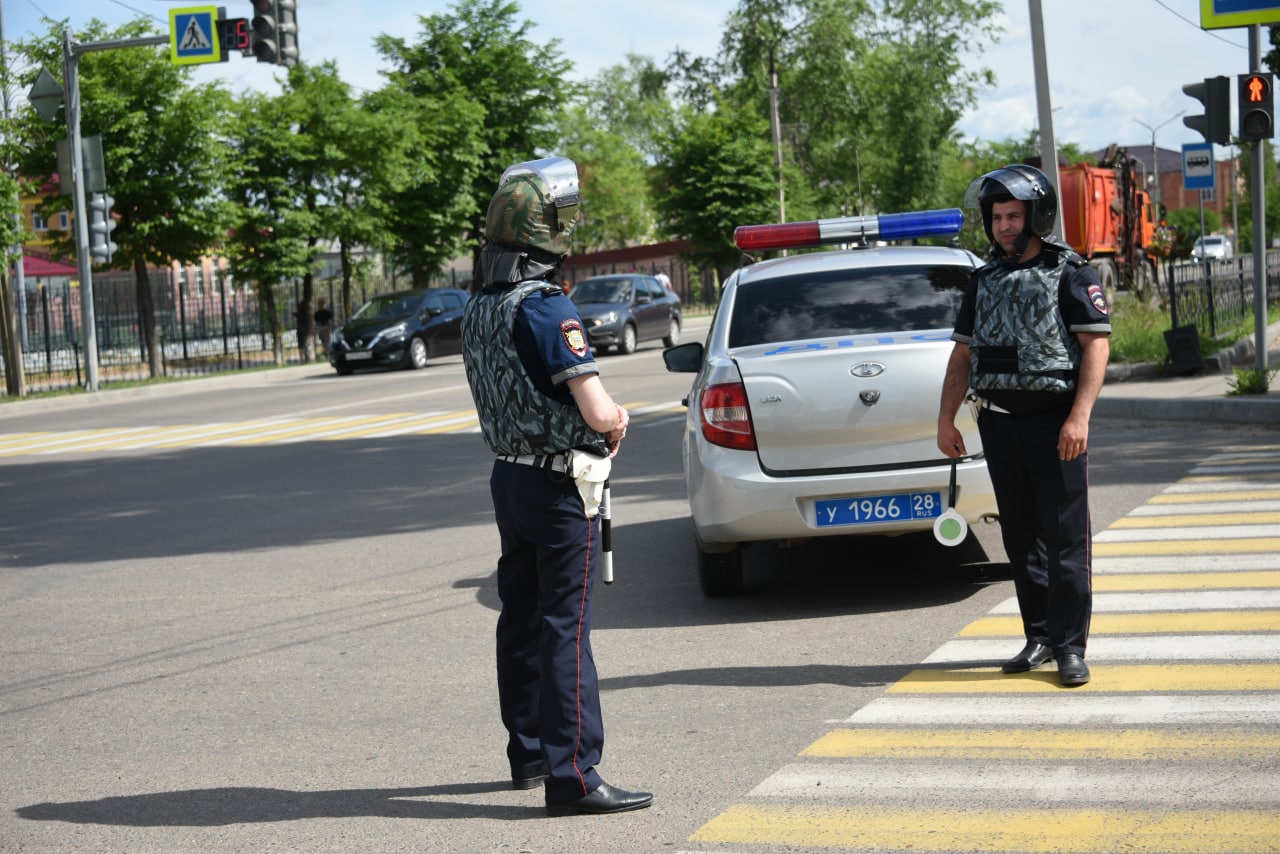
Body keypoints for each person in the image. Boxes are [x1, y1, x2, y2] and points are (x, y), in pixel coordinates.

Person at [460, 156, 653, 816]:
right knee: (565, 627)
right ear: (547, 230)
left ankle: (531, 751)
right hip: (559, 483)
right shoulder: (546, 307)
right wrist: (620, 418)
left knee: (520, 617)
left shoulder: (479, 305)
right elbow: (596, 412)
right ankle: (574, 776)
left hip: (508, 476)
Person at [936, 164, 1111, 688]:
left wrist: (1079, 416)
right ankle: (1037, 635)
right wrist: (945, 419)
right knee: (1020, 538)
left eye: (1013, 215)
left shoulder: (1072, 272)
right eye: (996, 218)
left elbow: (1095, 344)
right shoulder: (983, 281)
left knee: (1064, 542)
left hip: (1056, 423)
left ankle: (1069, 647)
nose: (1004, 226)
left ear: (1036, 215)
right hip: (1000, 425)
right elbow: (962, 356)